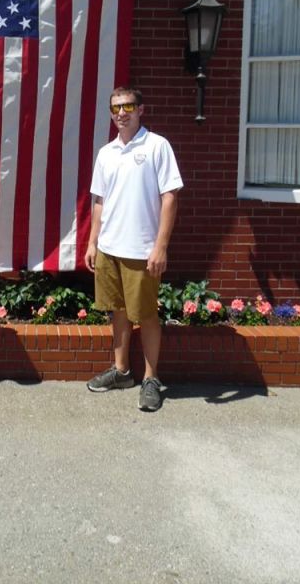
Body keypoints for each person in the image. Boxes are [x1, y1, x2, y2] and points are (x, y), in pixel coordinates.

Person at [84, 87, 183, 411]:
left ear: (141, 109)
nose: (121, 113)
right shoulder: (106, 153)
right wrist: (92, 242)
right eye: (115, 108)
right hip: (109, 248)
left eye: (127, 106)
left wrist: (160, 247)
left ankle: (151, 379)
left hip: (142, 251)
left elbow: (170, 196)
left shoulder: (157, 146)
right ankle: (122, 370)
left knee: (147, 316)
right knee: (119, 311)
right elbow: (100, 201)